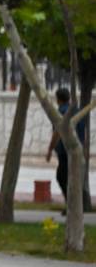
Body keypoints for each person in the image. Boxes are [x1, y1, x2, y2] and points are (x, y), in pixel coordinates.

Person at [46, 86, 90, 214]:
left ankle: (71, 205)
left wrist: (49, 150)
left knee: (62, 177)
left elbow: (57, 133)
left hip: (65, 151)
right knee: (72, 178)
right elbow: (84, 132)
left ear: (58, 99)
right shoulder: (77, 111)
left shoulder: (60, 112)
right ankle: (73, 206)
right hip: (78, 150)